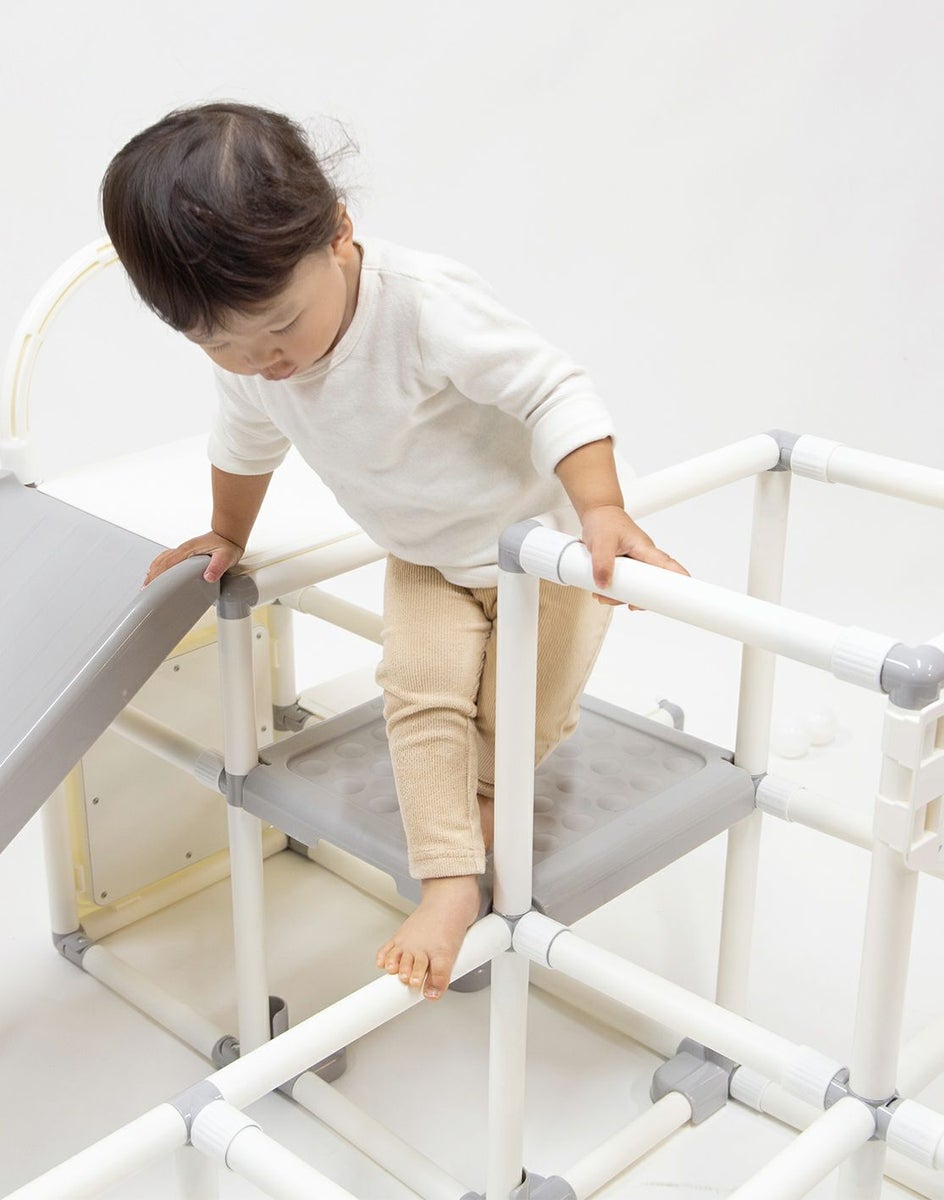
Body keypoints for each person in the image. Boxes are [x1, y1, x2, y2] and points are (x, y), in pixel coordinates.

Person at [104, 102, 685, 1001]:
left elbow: (551, 391)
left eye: (281, 326)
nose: (264, 362)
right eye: (219, 344)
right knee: (418, 696)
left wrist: (601, 508)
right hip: (425, 557)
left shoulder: (422, 308)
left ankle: (490, 792)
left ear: (339, 234)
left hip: (544, 551)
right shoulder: (250, 363)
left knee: (519, 715)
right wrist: (227, 533)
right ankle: (448, 881)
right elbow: (245, 444)